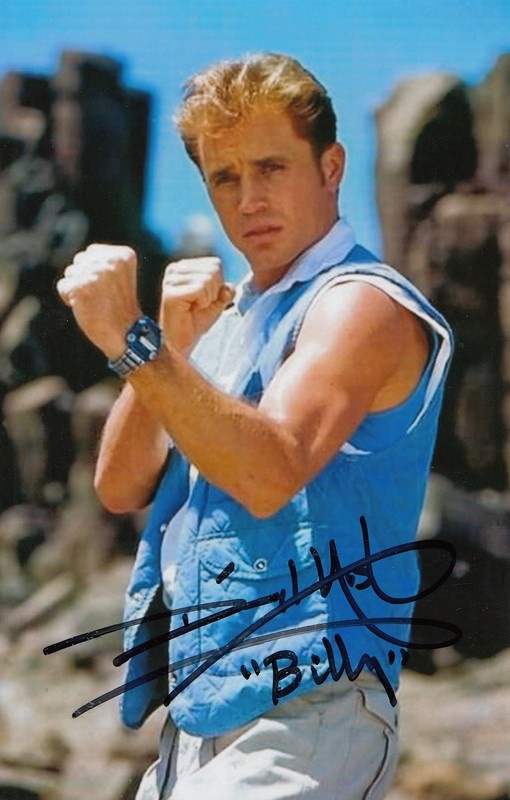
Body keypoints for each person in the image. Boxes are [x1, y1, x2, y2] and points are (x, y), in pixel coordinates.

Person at [57, 53, 453, 800]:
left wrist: (132, 342)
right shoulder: (229, 316)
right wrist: (168, 346)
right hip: (196, 719)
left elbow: (271, 473)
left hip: (309, 714)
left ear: (331, 167)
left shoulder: (360, 304)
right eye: (225, 177)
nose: (249, 199)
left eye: (271, 167)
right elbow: (119, 486)